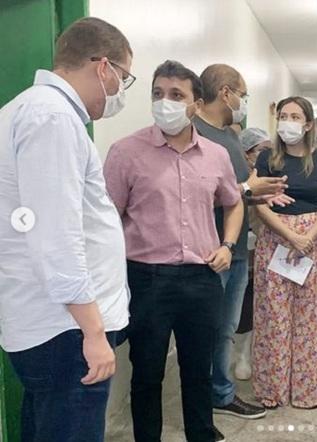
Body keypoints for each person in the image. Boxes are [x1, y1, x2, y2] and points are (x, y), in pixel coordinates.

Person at [0, 17, 132, 441]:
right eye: (123, 79)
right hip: (66, 332)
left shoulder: (34, 111)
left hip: (56, 325)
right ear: (103, 67)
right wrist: (93, 332)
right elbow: (56, 236)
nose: (118, 93)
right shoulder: (51, 118)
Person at [104, 60, 243, 442]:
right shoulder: (125, 152)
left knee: (198, 369)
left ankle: (201, 433)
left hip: (202, 278)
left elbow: (233, 202)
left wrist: (228, 245)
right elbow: (105, 219)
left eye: (177, 95)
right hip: (147, 278)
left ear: (196, 104)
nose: (165, 102)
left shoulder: (216, 155)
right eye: (158, 94)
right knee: (146, 371)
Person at [193, 64, 289, 421]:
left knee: (226, 328)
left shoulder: (230, 134)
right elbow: (196, 193)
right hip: (209, 250)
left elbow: (238, 187)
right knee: (206, 329)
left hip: (234, 249)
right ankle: (202, 398)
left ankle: (222, 392)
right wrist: (249, 189)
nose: (244, 101)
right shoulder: (195, 134)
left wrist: (261, 194)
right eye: (243, 93)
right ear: (226, 93)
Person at [253, 96, 317, 409]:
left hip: (312, 239)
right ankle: (272, 388)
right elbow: (257, 199)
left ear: (307, 124)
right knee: (273, 316)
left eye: (295, 116)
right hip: (275, 238)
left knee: (309, 316)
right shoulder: (266, 158)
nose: (287, 121)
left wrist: (307, 238)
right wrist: (289, 235)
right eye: (283, 115)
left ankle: (307, 390)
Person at [233, 127, 275, 381]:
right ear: (247, 153)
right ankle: (234, 352)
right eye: (262, 151)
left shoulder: (270, 177)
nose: (267, 156)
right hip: (236, 248)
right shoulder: (237, 176)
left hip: (261, 248)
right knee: (236, 304)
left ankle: (245, 355)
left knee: (253, 302)